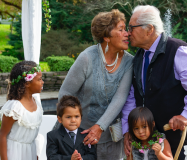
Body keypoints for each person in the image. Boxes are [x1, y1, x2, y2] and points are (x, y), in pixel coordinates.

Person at [122, 5, 187, 159]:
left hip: (179, 138)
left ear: (149, 29)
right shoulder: (138, 58)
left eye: (132, 28)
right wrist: (127, 129)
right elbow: (132, 97)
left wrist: (186, 116)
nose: (128, 33)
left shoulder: (179, 51)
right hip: (148, 142)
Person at [57, 9, 133, 159]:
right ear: (107, 37)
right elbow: (65, 94)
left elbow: (120, 98)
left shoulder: (129, 62)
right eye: (121, 29)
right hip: (80, 137)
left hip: (112, 140)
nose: (127, 33)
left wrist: (100, 127)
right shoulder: (87, 58)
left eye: (126, 29)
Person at [0, 61, 44, 160]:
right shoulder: (15, 108)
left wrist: (36, 154)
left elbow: (32, 134)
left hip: (30, 152)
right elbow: (2, 135)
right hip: (13, 153)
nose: (42, 82)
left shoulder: (36, 102)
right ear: (27, 83)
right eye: (39, 79)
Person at [46, 95, 97, 160]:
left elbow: (93, 156)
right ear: (60, 119)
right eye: (68, 117)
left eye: (76, 116)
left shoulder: (86, 135)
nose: (73, 120)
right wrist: (70, 158)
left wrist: (81, 158)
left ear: (81, 118)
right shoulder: (52, 136)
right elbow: (51, 157)